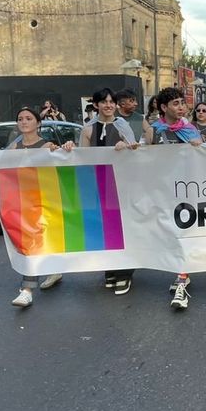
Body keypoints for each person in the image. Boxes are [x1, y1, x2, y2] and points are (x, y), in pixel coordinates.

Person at [144, 88, 204, 309]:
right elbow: (142, 161)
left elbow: (204, 159)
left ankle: (181, 280)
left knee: (184, 233)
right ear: (163, 107)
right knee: (170, 234)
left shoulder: (191, 130)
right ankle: (181, 274)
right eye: (176, 103)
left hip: (187, 190)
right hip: (162, 192)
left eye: (182, 103)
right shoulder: (153, 131)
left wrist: (199, 148)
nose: (181, 107)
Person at [1, 107, 62, 307]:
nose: (24, 122)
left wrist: (63, 150)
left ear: (38, 123)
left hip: (43, 202)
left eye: (28, 118)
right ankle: (50, 273)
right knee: (32, 242)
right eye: (20, 119)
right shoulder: (13, 148)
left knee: (34, 241)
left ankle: (27, 290)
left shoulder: (47, 146)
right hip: (22, 203)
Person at [80, 88, 137, 294]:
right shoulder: (87, 130)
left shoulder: (123, 126)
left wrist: (127, 146)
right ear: (96, 105)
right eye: (104, 102)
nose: (108, 105)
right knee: (104, 229)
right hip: (99, 184)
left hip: (121, 184)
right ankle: (110, 267)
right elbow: (82, 159)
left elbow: (135, 152)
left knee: (122, 228)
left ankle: (124, 272)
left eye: (112, 101)